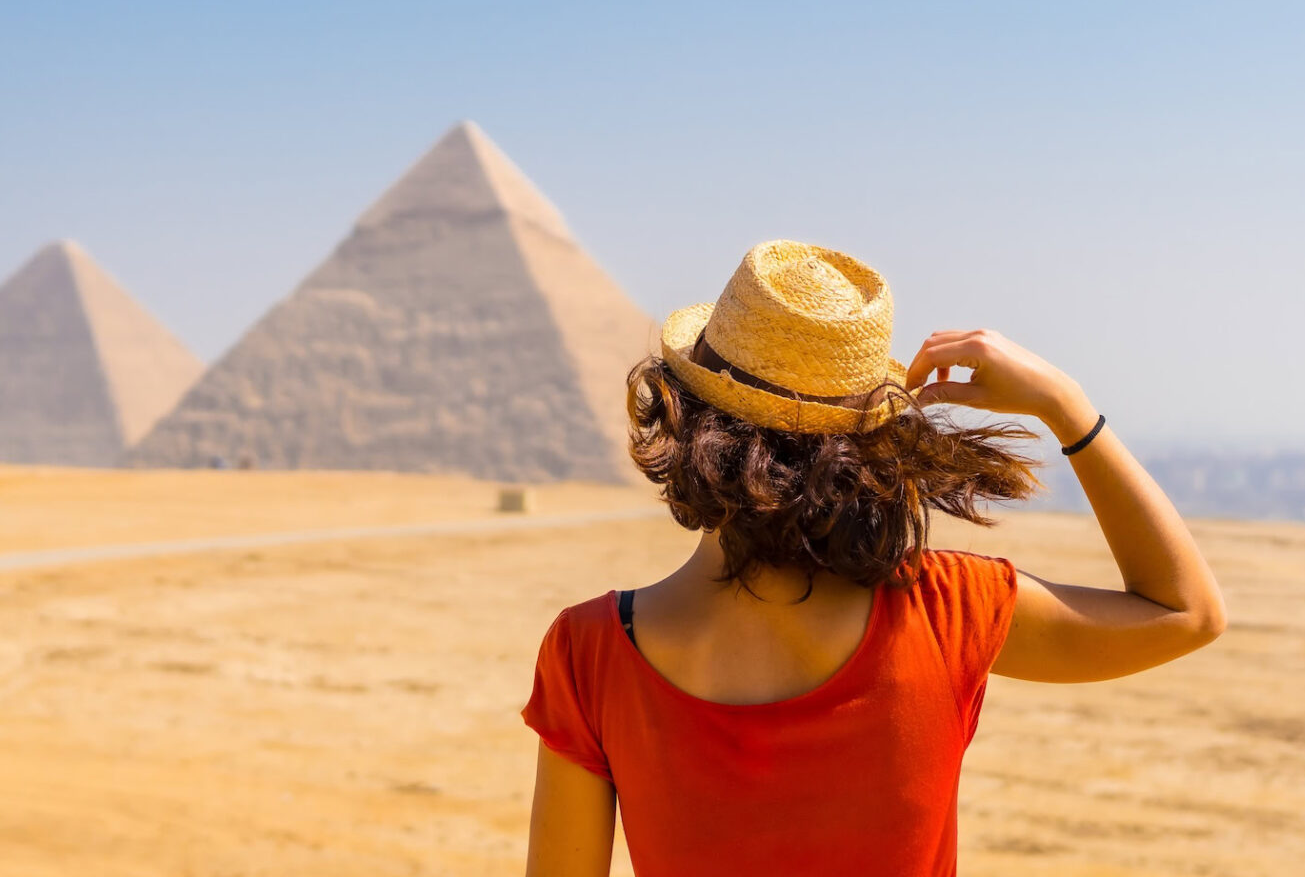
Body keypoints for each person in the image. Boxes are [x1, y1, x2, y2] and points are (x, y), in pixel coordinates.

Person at [521, 240, 1226, 877]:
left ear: (681, 415)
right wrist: (1068, 408)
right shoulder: (945, 609)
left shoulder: (589, 653)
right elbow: (1184, 611)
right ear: (870, 451)